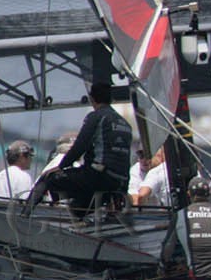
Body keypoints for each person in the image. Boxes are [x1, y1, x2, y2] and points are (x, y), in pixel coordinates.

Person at [29, 81, 133, 214]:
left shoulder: (96, 117)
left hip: (99, 177)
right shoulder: (126, 124)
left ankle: (24, 215)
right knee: (76, 208)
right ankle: (84, 223)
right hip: (120, 183)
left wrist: (61, 166)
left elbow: (80, 146)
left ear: (92, 98)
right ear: (111, 99)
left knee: (47, 179)